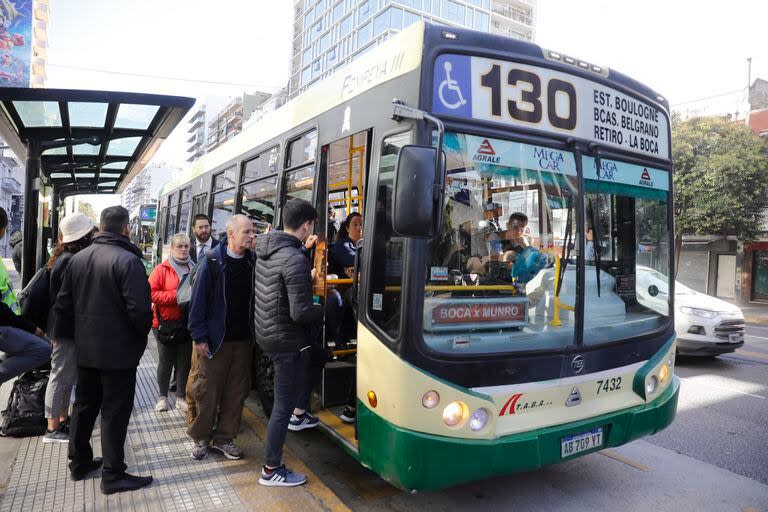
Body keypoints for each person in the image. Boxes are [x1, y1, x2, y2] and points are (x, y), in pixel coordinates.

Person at [53, 206, 153, 494]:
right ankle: (112, 474)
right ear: (125, 229)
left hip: (86, 351)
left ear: (100, 226)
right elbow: (140, 312)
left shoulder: (78, 259)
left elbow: (63, 306)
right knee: (114, 413)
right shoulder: (129, 261)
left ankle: (79, 462)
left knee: (84, 406)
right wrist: (137, 341)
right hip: (119, 355)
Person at [253, 198, 323, 487]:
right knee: (281, 408)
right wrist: (322, 305)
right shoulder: (294, 257)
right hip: (285, 339)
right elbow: (301, 312)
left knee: (312, 358)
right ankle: (271, 469)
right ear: (306, 225)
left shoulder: (268, 251)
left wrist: (302, 281)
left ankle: (299, 412)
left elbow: (276, 288)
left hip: (268, 332)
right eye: (312, 226)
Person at [187, 214, 255, 461]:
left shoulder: (252, 261)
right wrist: (200, 336)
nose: (251, 236)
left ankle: (225, 439)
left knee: (236, 393)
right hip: (215, 342)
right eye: (246, 231)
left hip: (243, 340)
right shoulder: (213, 261)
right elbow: (198, 303)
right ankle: (201, 438)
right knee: (207, 391)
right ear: (231, 235)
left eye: (252, 231)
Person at [42, 213, 95, 444]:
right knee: (60, 375)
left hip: (61, 327)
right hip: (64, 329)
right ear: (83, 236)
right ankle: (52, 427)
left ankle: (62, 419)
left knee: (65, 375)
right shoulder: (69, 261)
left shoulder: (63, 257)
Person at [0, 208, 50, 385]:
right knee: (42, 348)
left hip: (8, 321)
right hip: (4, 323)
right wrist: (29, 327)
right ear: (3, 229)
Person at [149, 233, 194, 414]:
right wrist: (177, 296)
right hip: (164, 323)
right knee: (166, 361)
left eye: (186, 247)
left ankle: (181, 397)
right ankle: (162, 397)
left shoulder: (194, 267)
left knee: (184, 362)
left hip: (187, 323)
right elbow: (151, 293)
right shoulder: (161, 269)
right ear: (172, 249)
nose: (183, 250)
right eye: (179, 247)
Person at [327, 212, 363, 423]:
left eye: (361, 225)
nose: (359, 228)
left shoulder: (362, 244)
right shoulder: (343, 244)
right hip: (345, 289)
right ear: (347, 228)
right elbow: (352, 262)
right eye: (355, 224)